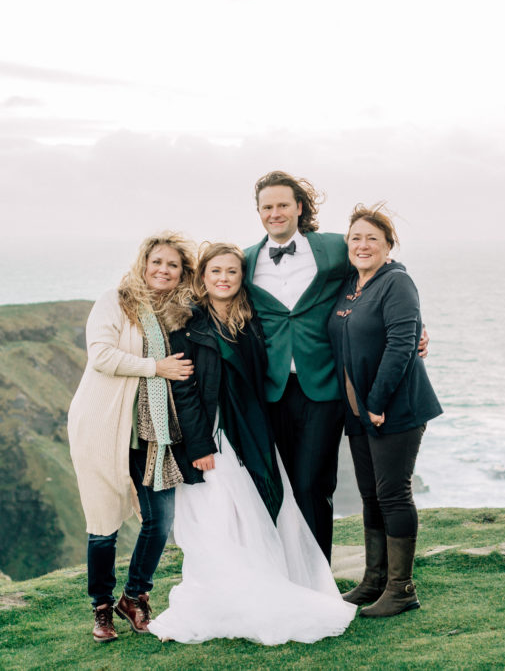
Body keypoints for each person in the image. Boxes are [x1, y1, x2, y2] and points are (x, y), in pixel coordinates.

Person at [148, 243, 356, 645]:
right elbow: (186, 392)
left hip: (251, 436)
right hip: (211, 442)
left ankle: (260, 590)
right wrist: (198, 446)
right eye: (216, 272)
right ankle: (224, 600)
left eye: (232, 271)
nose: (224, 278)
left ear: (242, 279)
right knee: (215, 523)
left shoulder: (250, 319)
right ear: (202, 277)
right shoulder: (187, 322)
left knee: (254, 518)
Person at [244, 170, 428, 562]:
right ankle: (284, 571)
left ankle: (318, 578)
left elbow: (379, 273)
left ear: (299, 207)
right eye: (267, 207)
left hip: (324, 387)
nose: (275, 213)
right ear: (259, 212)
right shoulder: (244, 262)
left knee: (314, 484)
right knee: (277, 485)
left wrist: (416, 327)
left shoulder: (332, 248)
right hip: (271, 388)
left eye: (282, 205)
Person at [67, 232, 206, 643]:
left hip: (151, 434)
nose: (163, 271)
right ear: (143, 263)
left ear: (183, 274)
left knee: (159, 518)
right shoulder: (115, 300)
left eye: (173, 266)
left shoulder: (179, 314)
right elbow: (102, 355)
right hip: (102, 426)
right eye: (156, 262)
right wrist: (155, 367)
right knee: (103, 522)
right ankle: (102, 608)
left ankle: (135, 596)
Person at [327, 204, 442, 618]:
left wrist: (376, 404)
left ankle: (401, 588)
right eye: (355, 237)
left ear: (388, 246)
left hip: (395, 408)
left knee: (394, 494)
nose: (362, 245)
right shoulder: (351, 284)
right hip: (357, 412)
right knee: (370, 495)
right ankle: (374, 580)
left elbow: (401, 343)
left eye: (372, 238)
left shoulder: (397, 283)